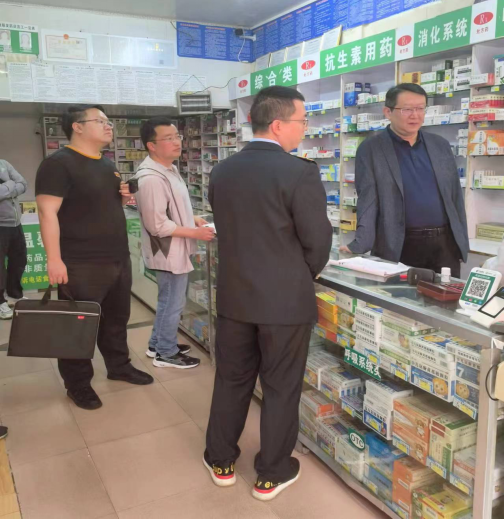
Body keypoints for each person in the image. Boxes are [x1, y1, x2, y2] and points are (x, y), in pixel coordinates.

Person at [204, 86, 332, 501]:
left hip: (235, 297)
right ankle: (271, 473)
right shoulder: (299, 172)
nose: (305, 128)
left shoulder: (223, 171)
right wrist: (296, 275)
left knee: (231, 379)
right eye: (302, 121)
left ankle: (221, 460)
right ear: (278, 125)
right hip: (284, 303)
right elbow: (317, 242)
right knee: (280, 386)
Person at [35, 104, 153, 411]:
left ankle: (119, 366)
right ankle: (77, 383)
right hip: (80, 261)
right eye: (99, 121)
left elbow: (102, 205)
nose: (108, 125)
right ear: (77, 127)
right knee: (78, 326)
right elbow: (47, 213)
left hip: (117, 257)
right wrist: (54, 259)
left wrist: (123, 197)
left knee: (116, 319)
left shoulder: (107, 163)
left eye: (107, 121)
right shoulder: (58, 164)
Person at [341, 83, 469, 277]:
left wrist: (461, 241)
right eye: (407, 109)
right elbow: (368, 200)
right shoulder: (371, 148)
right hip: (399, 244)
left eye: (420, 108)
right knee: (400, 295)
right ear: (388, 112)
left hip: (445, 244)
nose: (415, 115)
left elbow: (455, 197)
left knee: (446, 294)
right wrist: (360, 243)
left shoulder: (440, 145)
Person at [134, 117, 214, 370]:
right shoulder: (151, 179)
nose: (177, 142)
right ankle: (166, 353)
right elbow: (157, 225)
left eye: (177, 136)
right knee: (172, 303)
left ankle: (157, 344)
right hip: (167, 251)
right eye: (168, 138)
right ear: (152, 145)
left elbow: (173, 208)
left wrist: (193, 219)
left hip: (174, 248)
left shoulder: (169, 170)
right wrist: (193, 232)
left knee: (169, 301)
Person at [0, 160, 28, 320]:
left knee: (19, 260)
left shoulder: (3, 163)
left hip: (15, 223)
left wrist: (6, 188)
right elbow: (15, 185)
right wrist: (11, 184)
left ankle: (14, 294)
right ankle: (0, 302)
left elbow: (23, 184)